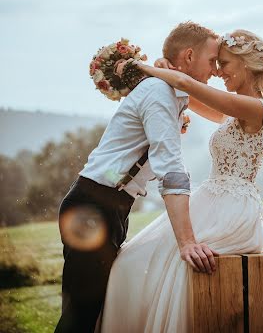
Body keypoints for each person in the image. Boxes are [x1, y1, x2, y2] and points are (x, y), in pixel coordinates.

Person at [98, 29, 263, 333]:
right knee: (132, 261)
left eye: (224, 64)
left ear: (246, 64)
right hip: (214, 200)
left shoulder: (255, 107)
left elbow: (186, 84)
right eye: (216, 63)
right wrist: (166, 71)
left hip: (233, 209)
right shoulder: (235, 111)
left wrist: (139, 66)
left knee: (164, 264)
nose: (218, 71)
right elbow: (188, 93)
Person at [55, 22, 220, 333]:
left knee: (93, 313)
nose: (215, 69)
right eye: (212, 60)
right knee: (80, 317)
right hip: (93, 207)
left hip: (111, 203)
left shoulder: (170, 91)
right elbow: (170, 166)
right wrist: (187, 242)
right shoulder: (158, 92)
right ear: (188, 55)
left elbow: (219, 111)